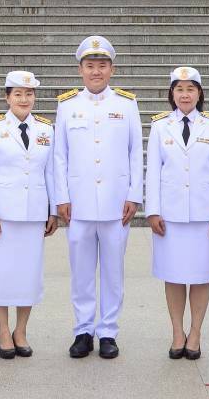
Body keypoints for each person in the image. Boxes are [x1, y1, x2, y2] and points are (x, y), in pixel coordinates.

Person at [54, 35, 143, 360]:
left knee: (113, 272)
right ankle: (83, 330)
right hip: (77, 203)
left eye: (102, 65)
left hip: (116, 203)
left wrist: (134, 194)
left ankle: (108, 332)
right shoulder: (67, 105)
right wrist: (61, 197)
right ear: (80, 69)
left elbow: (136, 151)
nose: (96, 71)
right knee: (81, 272)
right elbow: (59, 155)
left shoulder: (126, 104)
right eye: (90, 65)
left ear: (111, 69)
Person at [146, 65, 209, 360]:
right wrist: (152, 211)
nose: (185, 95)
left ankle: (195, 333)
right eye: (179, 89)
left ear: (199, 93)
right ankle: (177, 332)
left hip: (204, 215)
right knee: (172, 275)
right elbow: (152, 171)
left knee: (200, 275)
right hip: (169, 215)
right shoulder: (160, 126)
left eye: (190, 89)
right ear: (171, 94)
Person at [0, 69, 58, 359]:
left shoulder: (46, 129)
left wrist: (52, 210)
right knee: (1, 273)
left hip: (34, 213)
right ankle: (3, 330)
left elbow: (51, 172)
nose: (24, 99)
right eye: (18, 94)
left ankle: (21, 330)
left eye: (29, 94)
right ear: (7, 97)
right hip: (3, 215)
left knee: (28, 275)